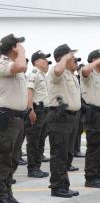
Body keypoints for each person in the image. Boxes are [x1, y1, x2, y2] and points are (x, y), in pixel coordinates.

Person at [47, 44, 81, 198]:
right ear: (63, 57)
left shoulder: (70, 74)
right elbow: (57, 70)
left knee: (67, 154)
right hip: (59, 117)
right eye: (71, 56)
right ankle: (57, 187)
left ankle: (63, 185)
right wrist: (65, 57)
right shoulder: (57, 71)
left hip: (71, 118)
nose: (74, 58)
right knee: (59, 154)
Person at [0, 33, 28, 203]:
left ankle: (7, 192)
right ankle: (1, 194)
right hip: (6, 119)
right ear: (13, 47)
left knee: (13, 159)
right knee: (3, 159)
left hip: (17, 119)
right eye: (18, 45)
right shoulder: (2, 62)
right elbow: (20, 67)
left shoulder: (14, 64)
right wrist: (22, 52)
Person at [80, 49, 100, 188]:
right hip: (94, 115)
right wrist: (97, 61)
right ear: (95, 60)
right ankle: (91, 178)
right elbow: (85, 71)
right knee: (94, 148)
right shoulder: (89, 74)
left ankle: (97, 176)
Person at [26, 50, 52, 179]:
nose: (46, 61)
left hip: (45, 111)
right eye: (43, 59)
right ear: (36, 61)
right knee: (34, 141)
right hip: (37, 110)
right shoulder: (34, 74)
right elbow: (29, 92)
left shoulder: (43, 75)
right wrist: (30, 110)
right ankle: (32, 168)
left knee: (41, 140)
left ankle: (37, 166)